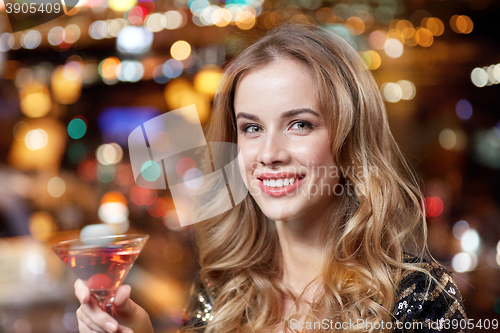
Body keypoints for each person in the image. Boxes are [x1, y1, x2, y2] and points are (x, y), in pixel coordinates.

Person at [74, 23, 469, 333]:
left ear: (349, 139)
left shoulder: (419, 297)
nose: (269, 155)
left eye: (299, 124)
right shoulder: (220, 290)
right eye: (251, 129)